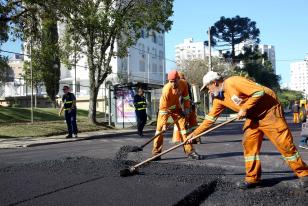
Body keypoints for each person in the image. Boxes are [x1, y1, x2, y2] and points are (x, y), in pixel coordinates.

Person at [187, 71, 308, 190]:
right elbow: (210, 119)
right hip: (253, 116)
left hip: (269, 111)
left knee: (284, 145)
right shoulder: (219, 99)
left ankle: (304, 174)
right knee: (249, 143)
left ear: (214, 82)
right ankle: (253, 178)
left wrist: (244, 108)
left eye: (208, 87)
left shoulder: (234, 82)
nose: (208, 90)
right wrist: (195, 134)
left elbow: (259, 92)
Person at [153, 70, 201, 161]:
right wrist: (164, 124)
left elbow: (186, 97)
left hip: (176, 109)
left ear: (179, 79)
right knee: (159, 131)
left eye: (175, 81)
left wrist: (186, 108)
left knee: (183, 130)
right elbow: (163, 109)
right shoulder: (166, 90)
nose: (173, 83)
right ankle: (156, 153)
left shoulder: (183, 84)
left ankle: (190, 152)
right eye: (171, 81)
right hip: (164, 110)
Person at [172, 71, 201, 144]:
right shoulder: (188, 84)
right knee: (193, 124)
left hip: (186, 107)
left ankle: (187, 139)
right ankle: (197, 139)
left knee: (185, 124)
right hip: (191, 106)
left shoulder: (181, 84)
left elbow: (182, 98)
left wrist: (181, 109)